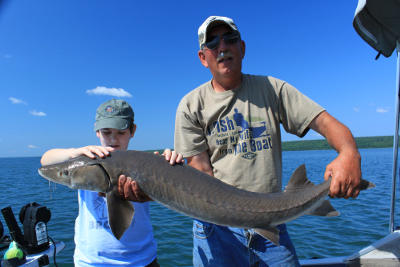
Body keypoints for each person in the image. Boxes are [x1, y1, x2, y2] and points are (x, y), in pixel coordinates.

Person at [174, 16, 362, 266]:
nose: (222, 47)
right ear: (203, 57)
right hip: (217, 231)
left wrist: (349, 153)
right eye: (213, 43)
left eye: (229, 39)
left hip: (272, 223)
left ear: (242, 47)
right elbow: (200, 173)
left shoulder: (272, 89)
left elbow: (326, 123)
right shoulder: (190, 105)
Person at [41, 99, 183, 267]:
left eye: (121, 132)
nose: (113, 139)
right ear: (97, 132)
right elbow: (46, 161)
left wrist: (173, 162)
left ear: (133, 131)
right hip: (91, 262)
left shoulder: (146, 163)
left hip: (142, 260)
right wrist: (74, 153)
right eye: (106, 132)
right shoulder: (85, 161)